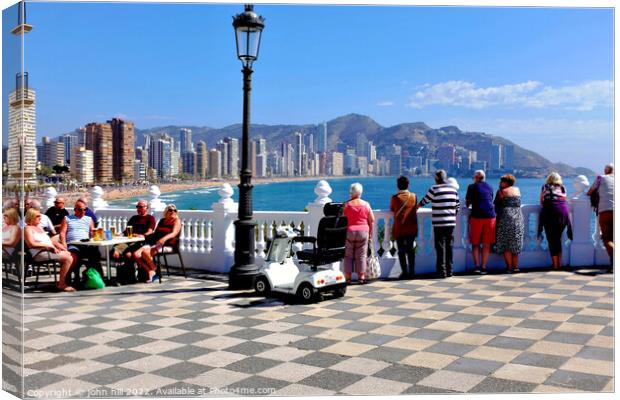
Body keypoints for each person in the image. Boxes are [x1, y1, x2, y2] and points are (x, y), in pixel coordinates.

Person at [418, 170, 460, 278]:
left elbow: (424, 201)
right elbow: (458, 207)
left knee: (440, 247)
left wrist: (416, 207)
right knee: (449, 246)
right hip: (450, 223)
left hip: (439, 223)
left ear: (437, 178)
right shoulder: (453, 190)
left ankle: (442, 271)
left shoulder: (434, 189)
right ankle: (450, 270)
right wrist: (451, 215)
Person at [24, 209, 75, 292]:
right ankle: (61, 284)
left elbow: (49, 240)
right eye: (38, 216)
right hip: (39, 253)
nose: (40, 217)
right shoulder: (27, 229)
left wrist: (59, 246)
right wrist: (48, 247)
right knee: (68, 258)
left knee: (69, 254)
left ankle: (65, 279)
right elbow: (31, 244)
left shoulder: (39, 227)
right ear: (31, 217)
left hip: (48, 250)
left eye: (40, 215)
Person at [133, 204, 182, 283]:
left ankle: (153, 272)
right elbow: (155, 233)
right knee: (136, 254)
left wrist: (164, 239)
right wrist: (143, 235)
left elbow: (174, 233)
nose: (173, 212)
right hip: (156, 243)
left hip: (168, 244)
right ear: (166, 212)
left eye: (174, 210)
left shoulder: (177, 221)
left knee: (145, 252)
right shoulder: (162, 220)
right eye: (170, 210)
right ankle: (153, 270)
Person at [112, 200, 156, 284]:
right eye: (137, 207)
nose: (138, 209)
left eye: (140, 207)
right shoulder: (134, 218)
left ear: (146, 208)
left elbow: (150, 231)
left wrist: (142, 235)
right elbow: (126, 231)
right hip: (129, 240)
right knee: (117, 252)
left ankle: (129, 277)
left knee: (128, 254)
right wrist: (120, 234)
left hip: (140, 242)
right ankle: (126, 277)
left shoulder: (150, 218)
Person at [58, 199, 101, 281]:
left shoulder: (89, 219)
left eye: (84, 209)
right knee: (73, 255)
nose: (82, 211)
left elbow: (92, 232)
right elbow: (62, 233)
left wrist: (97, 235)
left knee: (95, 254)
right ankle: (71, 277)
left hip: (85, 244)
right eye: (80, 209)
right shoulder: (67, 218)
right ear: (75, 209)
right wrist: (64, 244)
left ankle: (91, 276)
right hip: (72, 243)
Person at [538, 172, 572, 270]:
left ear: (549, 179)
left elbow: (541, 201)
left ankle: (555, 265)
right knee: (558, 239)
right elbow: (563, 199)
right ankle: (559, 264)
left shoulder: (545, 187)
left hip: (550, 213)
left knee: (551, 239)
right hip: (563, 213)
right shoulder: (563, 188)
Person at [342, 183, 375, 284]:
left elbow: (342, 220)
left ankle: (348, 278)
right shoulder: (366, 204)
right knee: (361, 255)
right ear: (360, 193)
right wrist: (370, 235)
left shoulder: (346, 205)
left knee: (348, 255)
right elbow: (372, 220)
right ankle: (361, 277)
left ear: (351, 193)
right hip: (363, 232)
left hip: (350, 231)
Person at [465, 170, 496, 274]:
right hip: (490, 217)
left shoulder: (472, 187)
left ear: (477, 178)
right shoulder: (490, 187)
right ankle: (484, 266)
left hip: (477, 217)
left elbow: (468, 203)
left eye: (474, 177)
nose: (473, 179)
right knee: (486, 243)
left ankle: (477, 266)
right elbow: (490, 199)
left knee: (475, 243)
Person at [494, 174, 524, 273]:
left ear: (506, 182)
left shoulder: (501, 192)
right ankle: (516, 267)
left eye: (502, 181)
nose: (500, 183)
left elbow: (496, 205)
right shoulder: (517, 190)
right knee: (515, 243)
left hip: (505, 218)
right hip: (518, 218)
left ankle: (509, 268)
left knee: (506, 244)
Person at [588, 163, 614, 272]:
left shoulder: (600, 178)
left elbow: (590, 192)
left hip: (605, 211)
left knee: (607, 238)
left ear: (606, 170)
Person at [390, 176, 418, 279]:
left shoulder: (395, 198)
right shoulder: (414, 196)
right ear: (408, 185)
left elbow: (392, 209)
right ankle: (412, 272)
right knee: (411, 250)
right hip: (411, 227)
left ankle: (404, 272)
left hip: (400, 228)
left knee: (401, 250)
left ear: (398, 186)